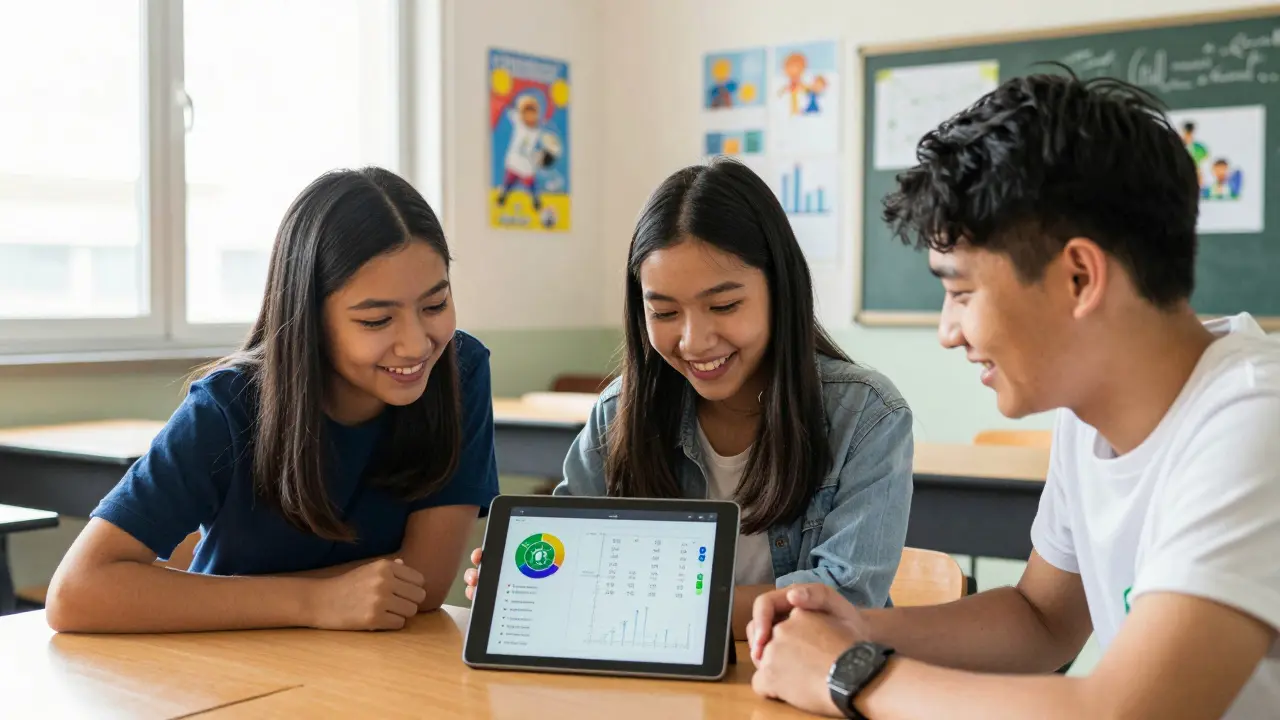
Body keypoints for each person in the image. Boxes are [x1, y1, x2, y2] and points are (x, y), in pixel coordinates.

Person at [747, 71, 1279, 718]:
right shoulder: (1093, 410)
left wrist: (849, 673)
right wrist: (860, 628)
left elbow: (1121, 713)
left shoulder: (1255, 420)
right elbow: (1040, 620)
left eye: (962, 293)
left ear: (1079, 277)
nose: (948, 333)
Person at [466, 158, 914, 638]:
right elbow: (569, 553)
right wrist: (524, 577)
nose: (693, 341)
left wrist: (649, 602)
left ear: (780, 290)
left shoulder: (865, 415)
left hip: (800, 687)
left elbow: (842, 602)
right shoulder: (619, 413)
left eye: (724, 306)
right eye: (664, 312)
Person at [46, 167, 500, 634]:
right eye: (376, 320)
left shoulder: (458, 371)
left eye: (435, 305)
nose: (416, 345)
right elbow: (75, 592)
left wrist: (265, 595)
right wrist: (313, 602)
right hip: (227, 666)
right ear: (310, 318)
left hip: (373, 665)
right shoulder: (229, 406)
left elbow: (422, 583)